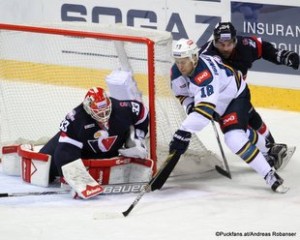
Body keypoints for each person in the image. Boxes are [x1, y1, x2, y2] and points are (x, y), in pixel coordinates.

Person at [168, 38, 288, 193]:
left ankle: (270, 175)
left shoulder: (205, 74)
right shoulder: (176, 72)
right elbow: (182, 95)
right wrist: (190, 105)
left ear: (194, 58)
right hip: (217, 102)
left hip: (235, 96)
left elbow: (204, 114)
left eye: (184, 61)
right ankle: (268, 149)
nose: (180, 65)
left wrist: (183, 131)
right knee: (238, 130)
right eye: (177, 61)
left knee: (233, 138)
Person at [199, 22, 299, 170]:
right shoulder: (206, 57)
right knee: (238, 129)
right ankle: (266, 153)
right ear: (214, 41)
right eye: (221, 44)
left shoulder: (245, 45)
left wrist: (282, 56)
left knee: (253, 119)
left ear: (235, 41)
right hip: (221, 101)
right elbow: (196, 82)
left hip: (240, 94)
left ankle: (271, 149)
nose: (226, 48)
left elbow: (263, 48)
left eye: (229, 44)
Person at [39, 86, 149, 198]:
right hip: (82, 153)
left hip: (110, 152)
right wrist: (77, 180)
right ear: (87, 108)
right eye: (99, 113)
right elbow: (64, 151)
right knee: (43, 170)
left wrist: (137, 139)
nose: (104, 116)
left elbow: (143, 112)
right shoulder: (75, 119)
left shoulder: (122, 108)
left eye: (106, 111)